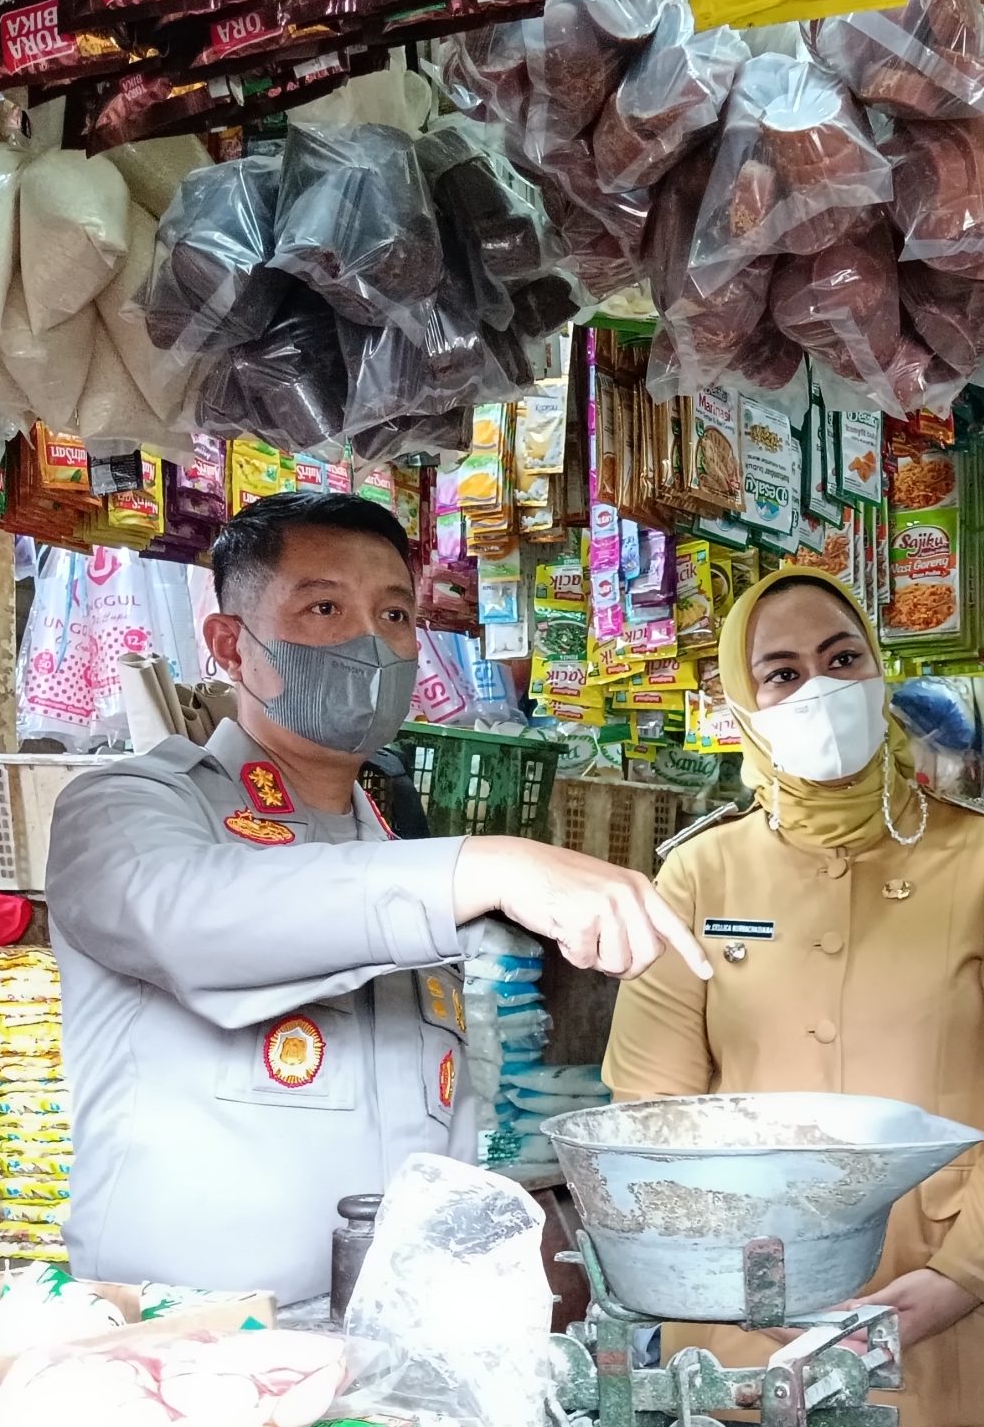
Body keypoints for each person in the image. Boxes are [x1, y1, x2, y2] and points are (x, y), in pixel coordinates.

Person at [49, 492, 707, 1302]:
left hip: (391, 1351)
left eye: (394, 614)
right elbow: (186, 915)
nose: (369, 641)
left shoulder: (388, 854)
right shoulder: (134, 807)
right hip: (190, 1354)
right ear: (230, 644)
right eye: (324, 607)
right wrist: (488, 865)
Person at [604, 569, 984, 1427]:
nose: (818, 688)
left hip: (968, 1352)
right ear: (742, 704)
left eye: (840, 658)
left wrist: (957, 1278)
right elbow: (648, 1113)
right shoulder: (698, 874)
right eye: (780, 672)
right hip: (741, 1357)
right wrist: (749, 1285)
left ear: (879, 669)